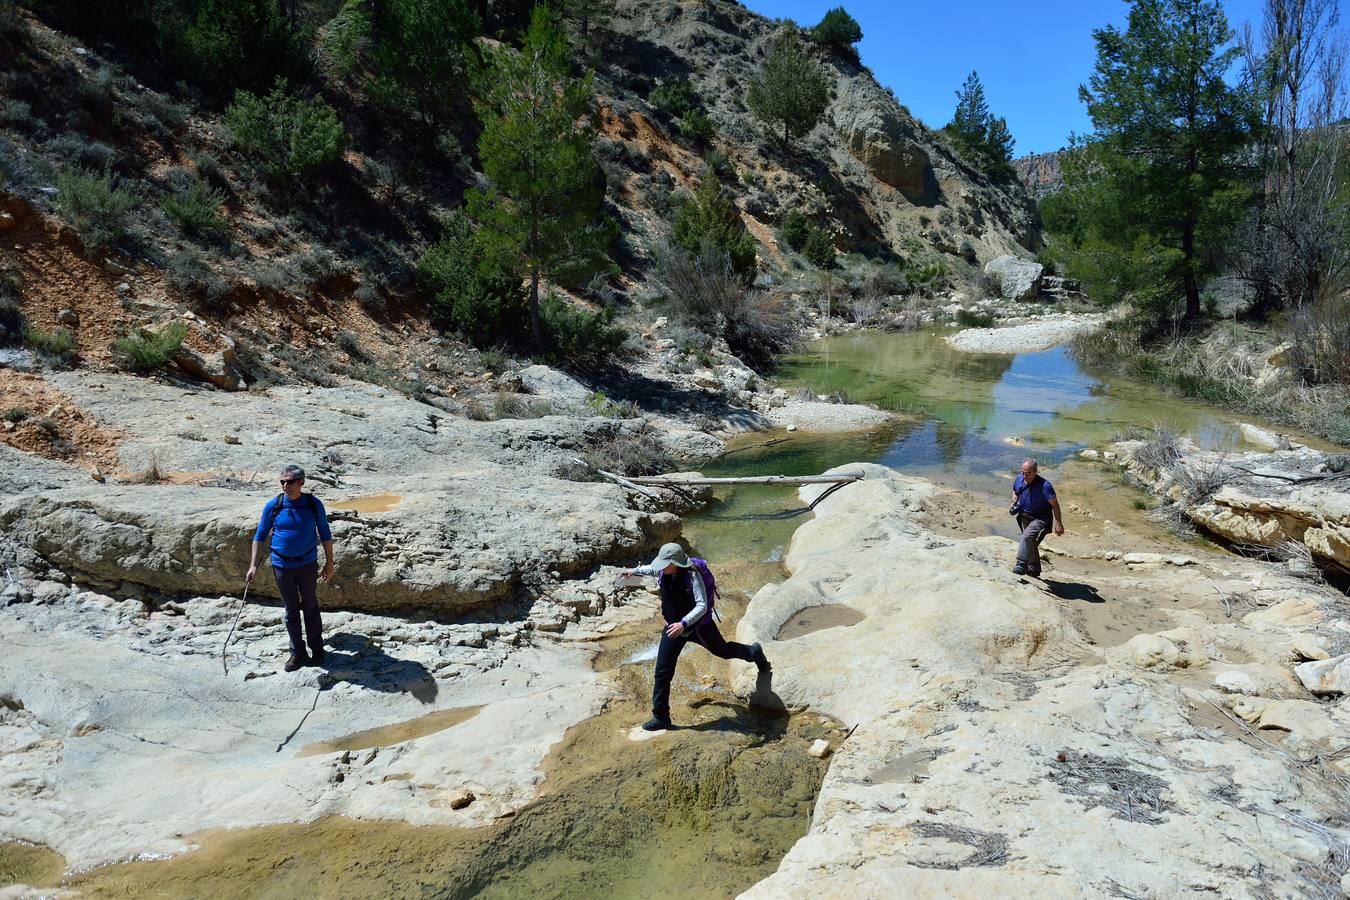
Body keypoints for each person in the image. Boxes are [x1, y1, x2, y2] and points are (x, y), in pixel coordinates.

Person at [621, 542, 771, 732]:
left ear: (675, 563)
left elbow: (702, 606)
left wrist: (683, 623)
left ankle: (754, 652)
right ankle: (661, 717)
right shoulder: (662, 570)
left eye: (665, 564)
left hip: (699, 628)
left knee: (723, 651)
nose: (661, 567)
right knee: (662, 672)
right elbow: (651, 569)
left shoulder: (692, 575)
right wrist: (634, 571)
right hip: (672, 629)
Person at [247, 464, 334, 671]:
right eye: (282, 482)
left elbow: (325, 532)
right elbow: (260, 535)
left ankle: (317, 650)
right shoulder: (274, 505)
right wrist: (252, 566)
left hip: (307, 564)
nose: (286, 486)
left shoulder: (313, 504)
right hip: (281, 565)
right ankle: (297, 653)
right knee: (291, 610)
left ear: (301, 482)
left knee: (311, 607)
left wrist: (330, 563)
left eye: (290, 482)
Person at [1010, 457, 1064, 577]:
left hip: (1041, 517)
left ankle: (1021, 563)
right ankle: (1034, 568)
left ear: (1036, 471)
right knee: (1030, 541)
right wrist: (1014, 500)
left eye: (1028, 473)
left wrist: (1059, 523)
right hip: (1025, 515)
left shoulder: (1045, 486)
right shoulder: (1019, 479)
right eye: (1023, 472)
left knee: (1027, 536)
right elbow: (1015, 491)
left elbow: (1055, 505)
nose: (1025, 476)